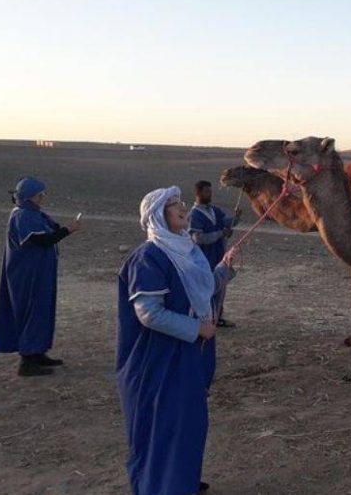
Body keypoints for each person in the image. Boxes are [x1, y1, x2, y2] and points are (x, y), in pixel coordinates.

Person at [117, 186, 238, 495]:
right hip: (156, 360)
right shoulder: (149, 257)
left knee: (188, 422)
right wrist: (196, 328)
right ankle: (162, 486)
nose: (183, 208)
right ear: (158, 215)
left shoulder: (186, 250)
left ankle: (181, 480)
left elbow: (202, 287)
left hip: (187, 356)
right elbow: (149, 314)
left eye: (181, 202)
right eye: (174, 205)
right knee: (163, 423)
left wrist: (223, 270)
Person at [0, 177, 82, 376]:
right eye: (40, 194)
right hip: (27, 274)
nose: (43, 198)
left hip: (38, 273)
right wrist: (68, 230)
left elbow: (50, 231)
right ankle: (28, 360)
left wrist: (64, 229)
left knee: (41, 310)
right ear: (31, 196)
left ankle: (37, 352)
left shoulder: (33, 213)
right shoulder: (22, 216)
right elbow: (41, 240)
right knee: (32, 310)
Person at [190, 180, 241, 327]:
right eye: (207, 191)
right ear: (198, 193)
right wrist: (221, 233)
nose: (210, 194)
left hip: (219, 256)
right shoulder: (194, 215)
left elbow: (226, 222)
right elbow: (198, 238)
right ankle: (206, 319)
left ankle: (217, 317)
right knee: (207, 289)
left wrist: (236, 218)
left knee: (220, 288)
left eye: (210, 191)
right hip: (204, 259)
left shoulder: (214, 210)